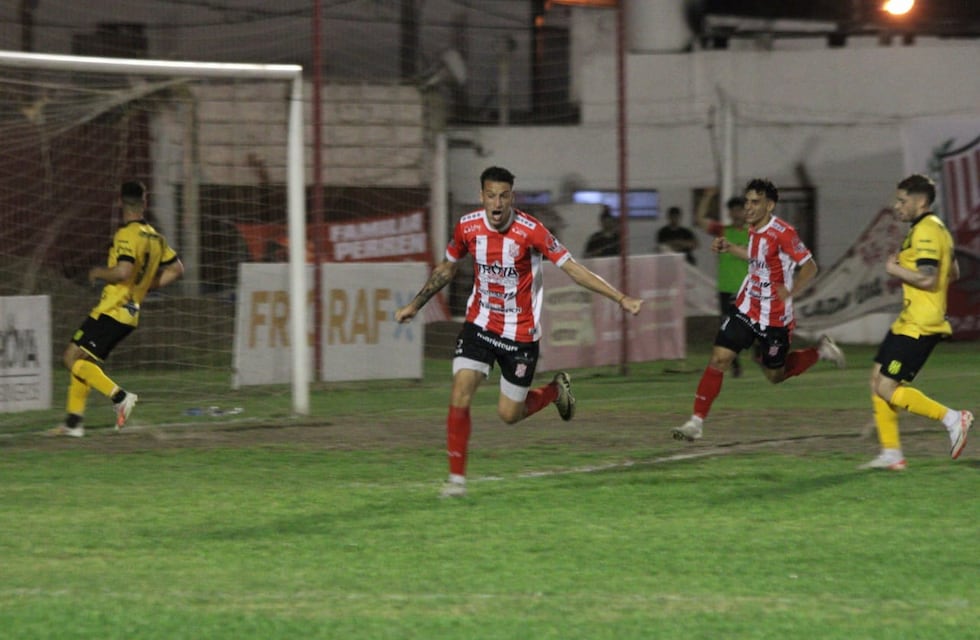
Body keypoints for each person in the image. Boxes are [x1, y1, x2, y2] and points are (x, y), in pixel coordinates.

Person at [395, 166, 644, 498]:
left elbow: (573, 269)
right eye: (491, 196)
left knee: (509, 414)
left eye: (503, 196)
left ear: (512, 196)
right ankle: (456, 482)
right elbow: (446, 268)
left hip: (520, 336)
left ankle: (555, 391)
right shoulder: (467, 226)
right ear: (482, 196)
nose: (497, 203)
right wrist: (415, 305)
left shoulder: (532, 231)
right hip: (480, 325)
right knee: (460, 391)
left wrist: (621, 298)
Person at [672, 178, 845, 442]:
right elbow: (757, 257)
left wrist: (792, 292)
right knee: (719, 359)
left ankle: (820, 351)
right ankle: (696, 422)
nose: (749, 207)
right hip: (746, 307)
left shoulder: (784, 233)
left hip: (774, 318)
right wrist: (730, 248)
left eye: (755, 202)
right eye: (747, 202)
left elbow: (810, 267)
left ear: (770, 205)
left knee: (775, 375)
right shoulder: (753, 228)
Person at [48, 181, 184, 437]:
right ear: (144, 203)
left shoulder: (126, 234)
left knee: (71, 358)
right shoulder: (156, 237)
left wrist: (98, 272)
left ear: (120, 202)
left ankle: (120, 397)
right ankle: (74, 423)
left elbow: (123, 271)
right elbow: (177, 269)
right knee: (82, 361)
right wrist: (146, 286)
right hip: (130, 312)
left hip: (112, 308)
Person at [861, 174, 972, 471]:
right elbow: (954, 272)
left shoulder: (925, 231)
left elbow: (928, 278)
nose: (896, 206)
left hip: (921, 324)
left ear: (920, 201)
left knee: (887, 387)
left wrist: (894, 269)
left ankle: (953, 418)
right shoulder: (937, 228)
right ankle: (891, 454)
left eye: (902, 201)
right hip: (909, 319)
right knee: (876, 379)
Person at [695, 189, 749, 377]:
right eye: (733, 210)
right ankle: (735, 364)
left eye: (740, 210)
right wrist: (707, 197)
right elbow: (700, 220)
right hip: (726, 288)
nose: (737, 214)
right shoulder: (724, 231)